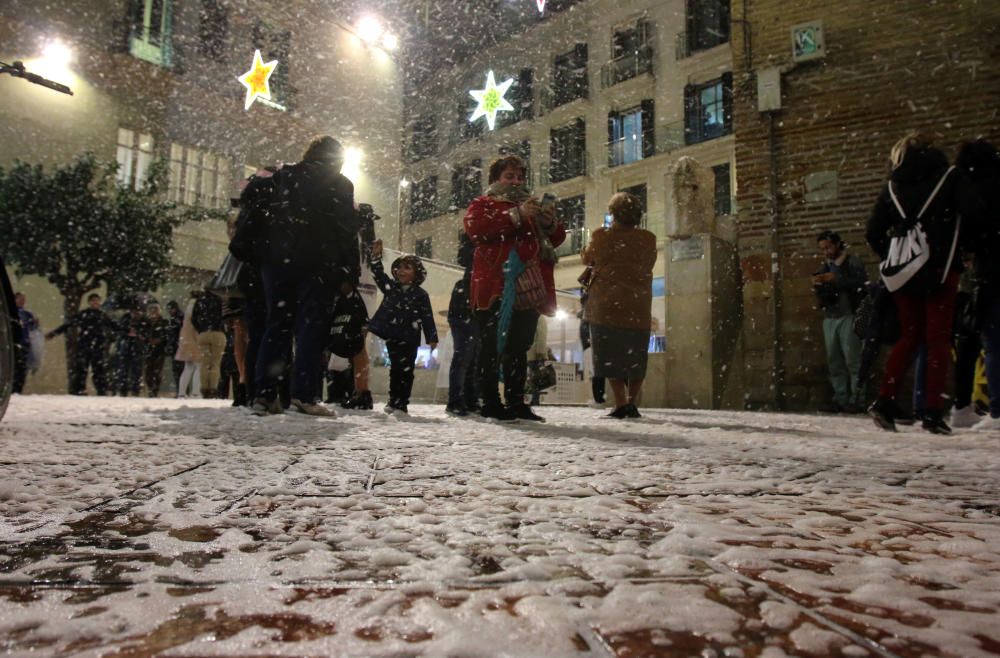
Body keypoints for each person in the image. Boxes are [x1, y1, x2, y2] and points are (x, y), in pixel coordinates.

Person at [866, 132, 973, 434]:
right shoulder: (950, 178)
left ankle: (885, 399)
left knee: (909, 337)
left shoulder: (892, 187)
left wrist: (896, 247)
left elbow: (874, 232)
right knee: (937, 339)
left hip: (906, 274)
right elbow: (972, 217)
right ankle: (931, 410)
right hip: (941, 269)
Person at [250, 136, 358, 417]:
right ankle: (304, 394)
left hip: (277, 262)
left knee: (277, 325)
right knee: (311, 329)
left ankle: (264, 394)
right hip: (318, 265)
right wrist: (350, 272)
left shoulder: (283, 175)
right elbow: (346, 231)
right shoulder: (339, 184)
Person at [464, 155, 565, 422]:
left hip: (528, 285)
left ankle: (516, 401)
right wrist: (516, 215)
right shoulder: (483, 203)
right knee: (490, 345)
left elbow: (555, 239)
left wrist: (548, 222)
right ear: (496, 178)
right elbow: (477, 229)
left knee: (519, 346)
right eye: (509, 176)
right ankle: (489, 401)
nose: (516, 181)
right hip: (496, 285)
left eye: (519, 176)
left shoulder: (529, 207)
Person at [581, 192, 657, 419]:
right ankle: (632, 402)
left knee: (608, 354)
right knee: (636, 356)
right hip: (638, 304)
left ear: (613, 214)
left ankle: (621, 402)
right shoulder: (648, 239)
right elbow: (649, 262)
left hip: (607, 305)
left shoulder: (602, 236)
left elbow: (588, 258)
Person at [956, 139, 1000, 432]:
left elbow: (971, 235)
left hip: (992, 273)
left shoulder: (976, 193)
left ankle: (997, 409)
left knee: (993, 341)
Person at [366, 241, 438, 414]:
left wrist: (432, 337)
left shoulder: (421, 295)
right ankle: (394, 400)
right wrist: (376, 259)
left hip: (411, 337)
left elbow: (427, 317)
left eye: (407, 268)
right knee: (396, 369)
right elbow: (379, 275)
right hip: (393, 335)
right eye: (399, 267)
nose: (401, 271)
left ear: (416, 273)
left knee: (407, 370)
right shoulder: (392, 288)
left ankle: (402, 402)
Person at [813, 230, 869, 413]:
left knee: (853, 360)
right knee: (834, 361)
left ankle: (857, 399)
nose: (826, 251)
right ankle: (841, 398)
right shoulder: (826, 266)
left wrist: (837, 279)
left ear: (837, 244)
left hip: (848, 315)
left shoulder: (852, 263)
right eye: (823, 248)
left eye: (828, 247)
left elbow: (861, 285)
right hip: (830, 317)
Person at [46, 293, 116, 395]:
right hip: (85, 344)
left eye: (97, 300)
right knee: (82, 369)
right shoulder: (84, 314)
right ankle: (80, 389)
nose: (96, 303)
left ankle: (101, 390)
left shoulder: (102, 315)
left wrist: (127, 330)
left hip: (98, 346)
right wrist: (53, 333)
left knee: (98, 370)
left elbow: (114, 325)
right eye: (93, 301)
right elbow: (68, 324)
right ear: (89, 302)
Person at [445, 233, 480, 416]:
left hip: (474, 306)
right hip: (465, 306)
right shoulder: (474, 247)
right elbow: (465, 258)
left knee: (472, 357)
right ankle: (457, 400)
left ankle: (468, 399)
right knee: (464, 357)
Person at [329, 279, 372, 410]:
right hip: (355, 287)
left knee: (357, 345)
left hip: (357, 288)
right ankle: (358, 392)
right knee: (354, 344)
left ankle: (360, 392)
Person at [192, 289, 226, 399]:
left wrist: (200, 329)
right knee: (215, 363)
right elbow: (226, 316)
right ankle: (213, 389)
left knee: (205, 363)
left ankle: (204, 389)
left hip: (204, 334)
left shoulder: (200, 300)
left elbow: (193, 318)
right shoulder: (221, 299)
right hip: (218, 333)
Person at [114, 306, 147, 396]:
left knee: (136, 371)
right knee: (123, 370)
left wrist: (139, 334)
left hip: (137, 348)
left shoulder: (144, 321)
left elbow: (146, 333)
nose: (136, 313)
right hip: (125, 348)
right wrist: (127, 332)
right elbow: (119, 330)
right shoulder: (125, 319)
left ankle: (135, 390)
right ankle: (123, 390)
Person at [175, 291, 202, 398]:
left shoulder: (188, 307)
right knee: (199, 366)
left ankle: (181, 392)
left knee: (188, 367)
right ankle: (195, 392)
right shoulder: (197, 307)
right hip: (194, 339)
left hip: (185, 339)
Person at [12, 292, 39, 394]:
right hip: (14, 344)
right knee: (14, 368)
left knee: (22, 369)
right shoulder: (11, 313)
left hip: (24, 344)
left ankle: (18, 390)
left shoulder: (27, 314)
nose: (22, 301)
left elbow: (33, 328)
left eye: (23, 299)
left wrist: (36, 323)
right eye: (19, 299)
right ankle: (12, 389)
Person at [143, 303, 170, 397]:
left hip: (160, 350)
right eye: (151, 311)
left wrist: (159, 340)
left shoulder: (164, 322)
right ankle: (150, 388)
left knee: (157, 371)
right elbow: (143, 334)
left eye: (155, 311)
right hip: (149, 350)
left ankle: (154, 390)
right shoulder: (147, 323)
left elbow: (166, 335)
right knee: (148, 372)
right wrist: (147, 339)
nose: (153, 313)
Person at [165, 300, 185, 391]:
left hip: (178, 346)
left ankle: (181, 390)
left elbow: (174, 333)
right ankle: (181, 389)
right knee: (178, 370)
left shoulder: (178, 318)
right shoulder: (176, 318)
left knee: (179, 370)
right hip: (177, 346)